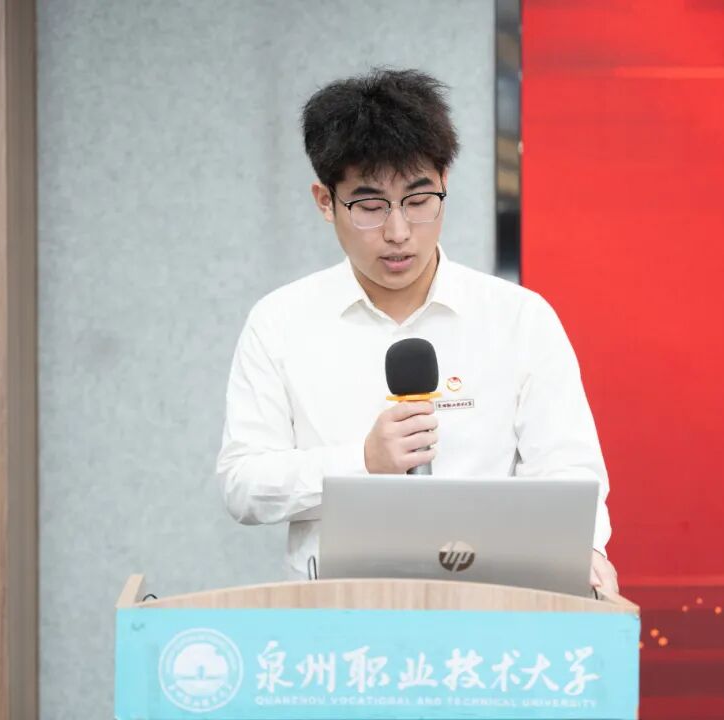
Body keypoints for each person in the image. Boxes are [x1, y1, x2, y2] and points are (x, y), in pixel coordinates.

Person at [216, 68, 618, 595]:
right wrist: (362, 462)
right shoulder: (280, 322)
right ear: (325, 201)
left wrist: (585, 550)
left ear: (444, 184)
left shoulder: (519, 318)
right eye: (369, 206)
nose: (398, 231)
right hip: (337, 611)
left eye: (418, 199)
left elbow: (568, 469)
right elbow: (243, 484)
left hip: (491, 605)